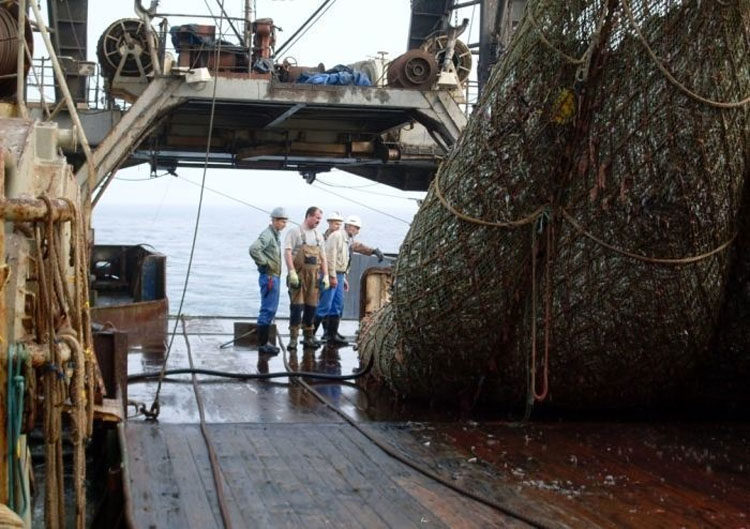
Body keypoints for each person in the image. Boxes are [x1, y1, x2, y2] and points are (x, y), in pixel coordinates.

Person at [315, 214, 384, 345]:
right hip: (331, 274)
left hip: (340, 275)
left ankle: (331, 335)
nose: (357, 231)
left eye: (358, 228)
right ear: (349, 226)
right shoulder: (336, 237)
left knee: (337, 306)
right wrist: (332, 276)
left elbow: (357, 247)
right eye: (356, 228)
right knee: (325, 305)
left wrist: (374, 251)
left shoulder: (348, 239)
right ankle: (310, 336)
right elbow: (330, 258)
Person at [284, 206, 329, 350]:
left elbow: (323, 257)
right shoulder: (295, 232)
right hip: (298, 277)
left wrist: (326, 275)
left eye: (320, 219)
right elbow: (288, 253)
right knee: (296, 308)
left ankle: (309, 337)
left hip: (314, 278)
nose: (318, 221)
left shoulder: (318, 236)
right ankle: (293, 339)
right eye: (316, 218)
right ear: (309, 216)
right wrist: (291, 272)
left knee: (312, 307)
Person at [248, 207, 288, 355]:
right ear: (275, 220)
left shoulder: (274, 234)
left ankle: (265, 342)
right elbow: (254, 249)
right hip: (269, 277)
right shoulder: (267, 235)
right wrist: (264, 263)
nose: (285, 224)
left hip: (274, 276)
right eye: (283, 221)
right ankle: (262, 344)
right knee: (268, 309)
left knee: (271, 309)